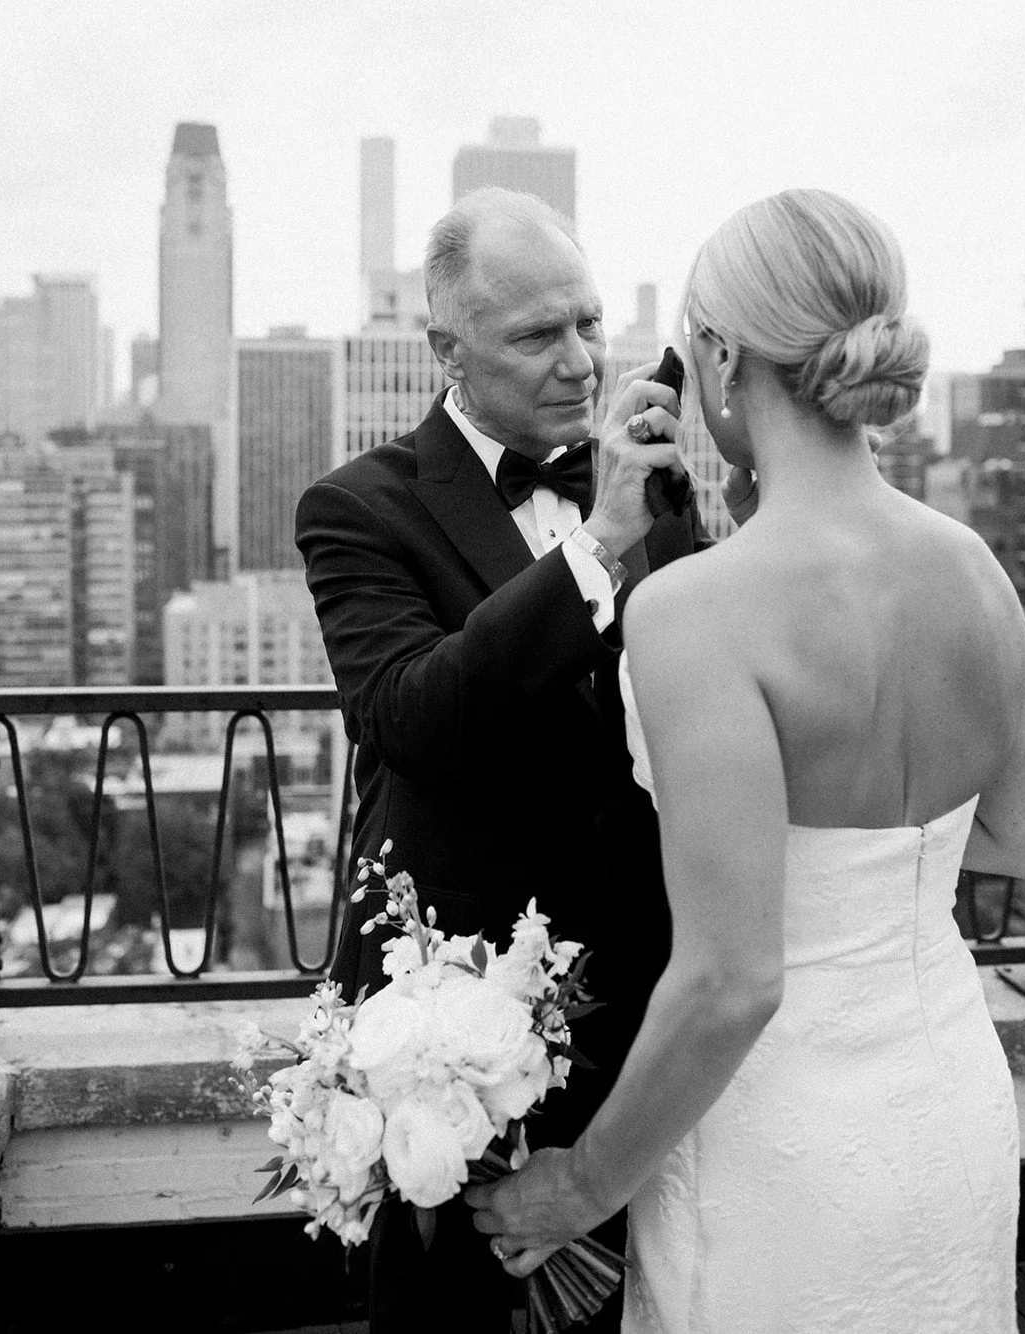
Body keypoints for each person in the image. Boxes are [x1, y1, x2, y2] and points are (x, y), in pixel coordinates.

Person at [467, 187, 1025, 1333]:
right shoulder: (970, 565)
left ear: (720, 362)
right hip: (946, 1120)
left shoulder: (696, 609)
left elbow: (732, 979)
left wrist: (583, 1181)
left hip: (776, 1150)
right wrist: (885, 859)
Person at [295, 187, 718, 1332]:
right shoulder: (357, 507)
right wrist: (597, 546)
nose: (580, 359)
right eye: (538, 334)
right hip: (454, 1061)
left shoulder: (654, 495)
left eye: (588, 322)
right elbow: (411, 713)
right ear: (446, 348)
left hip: (643, 1043)